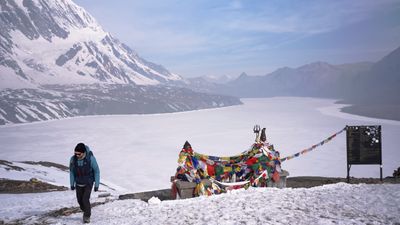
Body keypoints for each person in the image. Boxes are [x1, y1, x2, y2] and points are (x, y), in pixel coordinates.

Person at [69, 143, 100, 223]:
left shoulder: (90, 159)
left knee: (85, 199)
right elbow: (72, 172)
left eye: (78, 154)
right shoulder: (73, 159)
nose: (76, 155)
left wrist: (96, 185)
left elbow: (97, 171)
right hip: (79, 182)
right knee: (80, 201)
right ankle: (86, 210)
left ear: (83, 152)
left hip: (88, 182)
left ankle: (87, 216)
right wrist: (72, 184)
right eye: (75, 153)